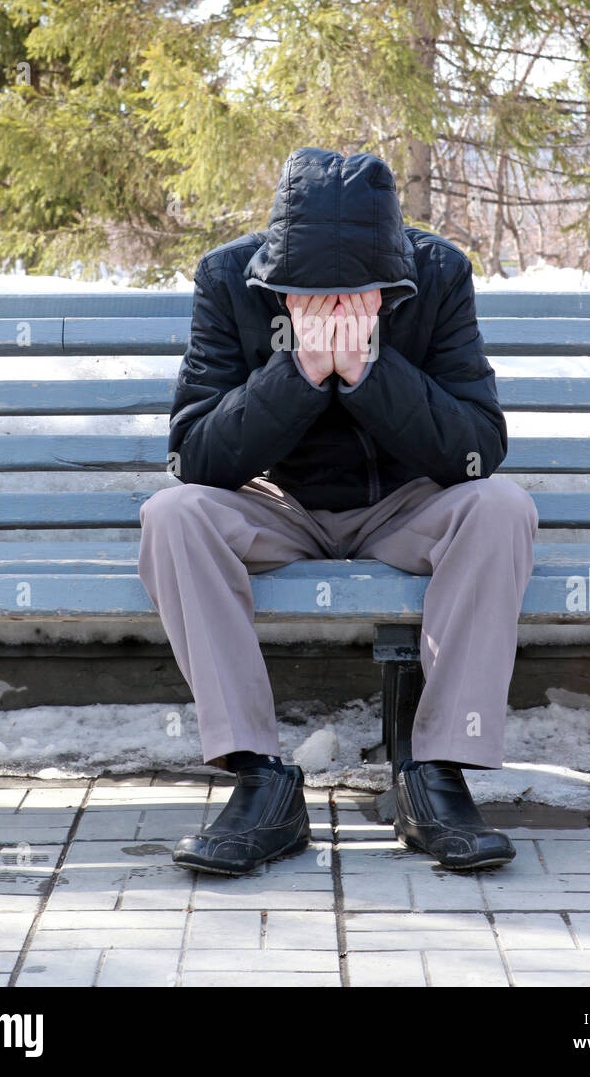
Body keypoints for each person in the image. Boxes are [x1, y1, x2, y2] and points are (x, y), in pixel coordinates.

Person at [137, 145, 538, 876]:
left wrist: (368, 372)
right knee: (174, 516)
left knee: (500, 508)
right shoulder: (229, 278)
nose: (329, 308)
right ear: (277, 273)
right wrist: (299, 373)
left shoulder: (438, 275)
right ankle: (260, 780)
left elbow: (478, 450)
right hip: (277, 503)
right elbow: (194, 456)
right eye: (306, 294)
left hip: (403, 505)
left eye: (354, 296)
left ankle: (436, 777)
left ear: (391, 278)